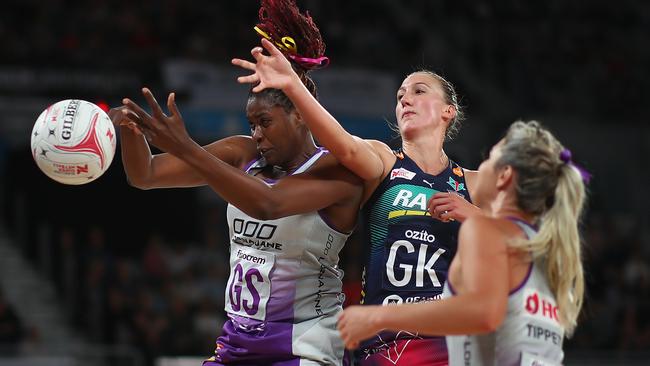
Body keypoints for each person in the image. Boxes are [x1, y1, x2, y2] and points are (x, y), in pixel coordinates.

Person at [111, 1, 363, 364]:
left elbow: (268, 204)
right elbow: (145, 175)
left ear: (300, 116)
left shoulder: (336, 171)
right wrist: (131, 129)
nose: (257, 134)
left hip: (306, 346)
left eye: (265, 122)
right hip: (237, 342)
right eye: (252, 125)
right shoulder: (242, 154)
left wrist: (186, 146)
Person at [233, 38, 481, 365]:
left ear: (449, 111)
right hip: (385, 343)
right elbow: (346, 148)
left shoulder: (474, 182)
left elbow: (530, 241)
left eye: (419, 91)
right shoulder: (384, 160)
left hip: (447, 338)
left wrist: (476, 215)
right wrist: (293, 86)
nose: (406, 98)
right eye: (400, 95)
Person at [337, 121, 588, 366]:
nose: (483, 165)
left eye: (489, 158)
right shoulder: (546, 249)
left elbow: (483, 313)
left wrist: (377, 316)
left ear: (505, 176)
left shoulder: (485, 231)